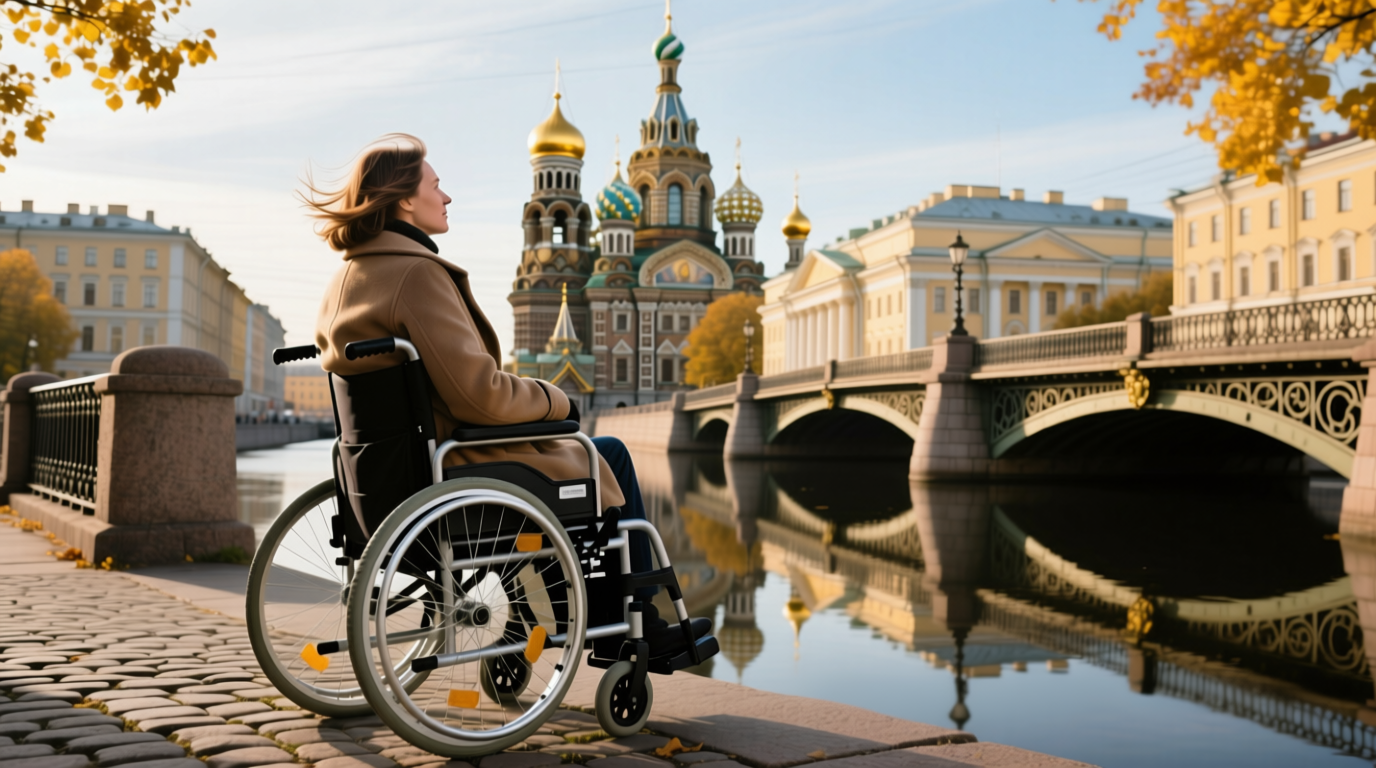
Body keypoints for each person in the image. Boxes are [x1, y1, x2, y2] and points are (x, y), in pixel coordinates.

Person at [306, 134, 708, 656]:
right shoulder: (415, 273)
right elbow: (481, 396)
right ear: (405, 199)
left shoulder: (348, 278)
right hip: (455, 471)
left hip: (386, 479)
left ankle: (545, 615)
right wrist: (554, 400)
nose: (446, 197)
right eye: (436, 185)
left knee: (574, 464)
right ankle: (634, 620)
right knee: (605, 454)